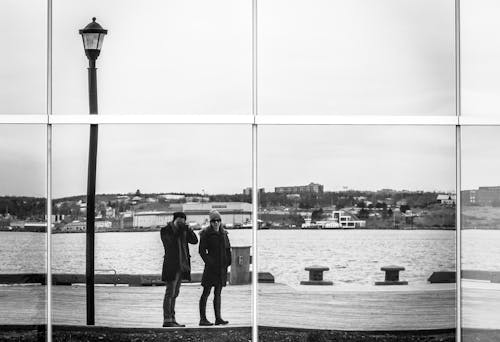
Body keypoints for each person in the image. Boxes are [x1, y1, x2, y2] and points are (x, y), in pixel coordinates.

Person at [161, 211, 198, 327]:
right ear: (174, 220)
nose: (181, 223)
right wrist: (178, 230)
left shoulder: (184, 231)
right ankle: (167, 319)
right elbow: (169, 243)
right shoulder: (166, 230)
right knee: (170, 293)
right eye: (179, 221)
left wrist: (188, 229)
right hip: (171, 266)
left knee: (175, 293)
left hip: (182, 266)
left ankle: (172, 318)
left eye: (183, 221)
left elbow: (195, 241)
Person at [198, 210, 232, 326]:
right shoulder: (205, 234)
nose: (216, 223)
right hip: (211, 268)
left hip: (221, 268)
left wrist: (228, 261)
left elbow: (228, 249)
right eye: (213, 221)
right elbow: (201, 251)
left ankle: (218, 318)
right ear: (210, 222)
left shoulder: (224, 233)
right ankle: (203, 319)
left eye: (218, 220)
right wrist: (209, 262)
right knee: (206, 292)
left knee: (218, 293)